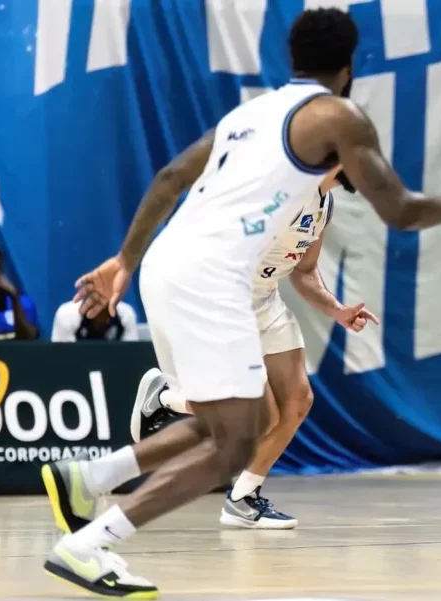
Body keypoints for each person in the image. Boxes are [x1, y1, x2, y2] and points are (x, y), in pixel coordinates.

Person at [39, 7, 441, 598]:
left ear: (292, 58)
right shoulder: (339, 115)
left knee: (244, 419)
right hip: (216, 278)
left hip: (170, 263)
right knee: (236, 441)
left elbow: (171, 176)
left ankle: (91, 475)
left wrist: (125, 258)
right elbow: (401, 209)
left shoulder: (250, 113)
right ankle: (88, 545)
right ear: (349, 66)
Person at [128, 169, 372, 529]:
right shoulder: (279, 188)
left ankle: (242, 498)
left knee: (298, 401)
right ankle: (165, 397)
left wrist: (337, 310)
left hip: (264, 300)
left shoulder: (325, 204)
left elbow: (305, 271)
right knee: (261, 416)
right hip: (224, 297)